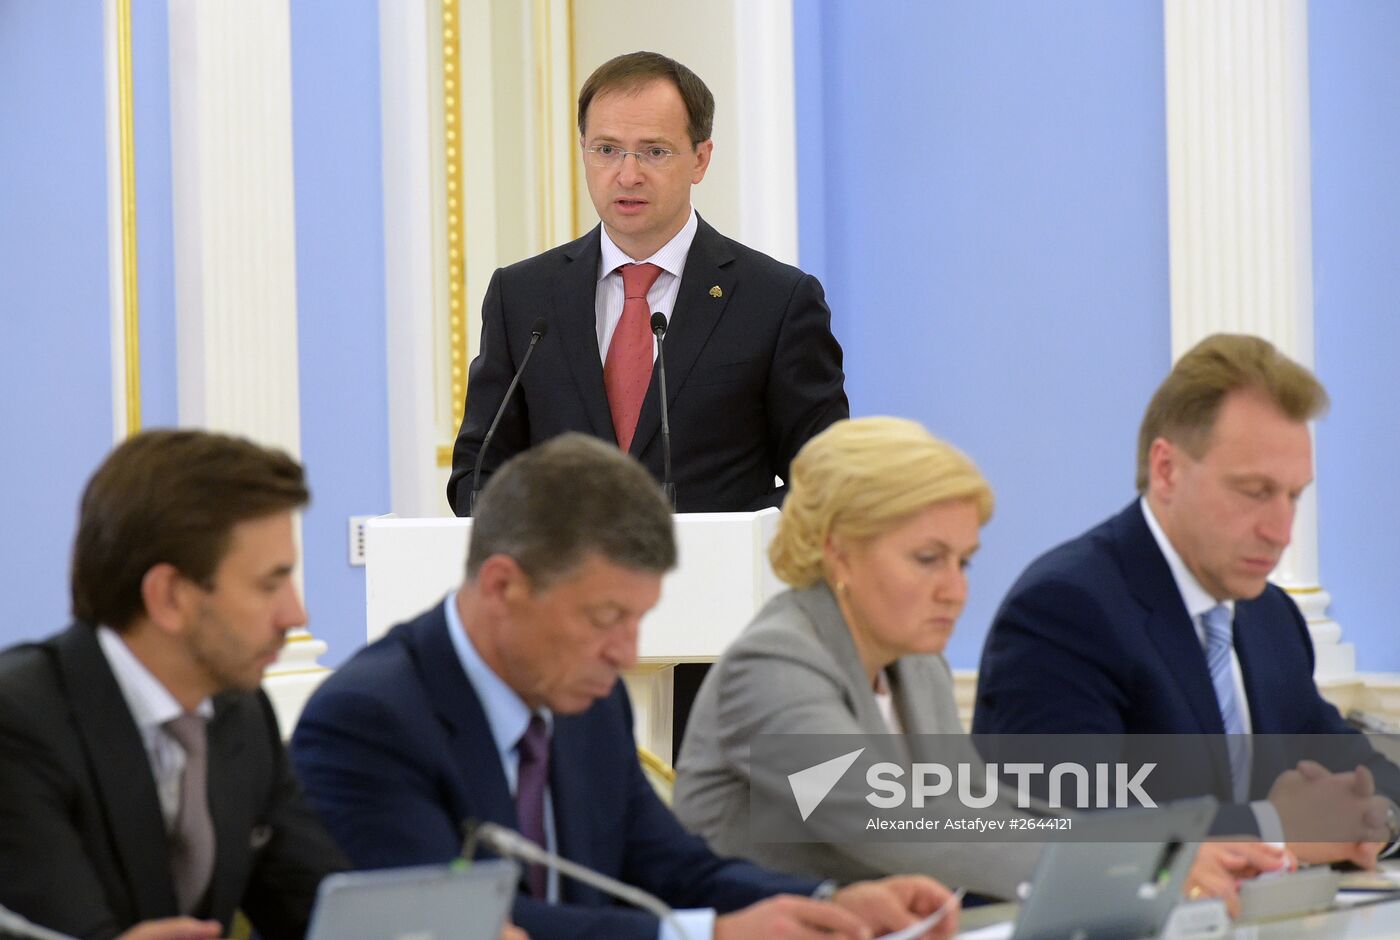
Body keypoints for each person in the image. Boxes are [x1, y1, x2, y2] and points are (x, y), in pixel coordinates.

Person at [293, 434, 959, 940]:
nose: (627, 651)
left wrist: (824, 903)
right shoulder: (369, 719)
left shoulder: (588, 699)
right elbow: (451, 924)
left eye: (638, 620)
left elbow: (673, 867)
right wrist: (708, 935)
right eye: (605, 618)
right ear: (502, 586)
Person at [672, 417, 1284, 915]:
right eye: (927, 559)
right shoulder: (773, 666)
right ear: (839, 551)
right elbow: (896, 827)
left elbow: (972, 807)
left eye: (963, 563)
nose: (955, 590)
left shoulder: (915, 663)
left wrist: (1164, 847)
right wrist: (1147, 862)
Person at [973, 333, 1399, 865]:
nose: (1281, 531)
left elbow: (1358, 772)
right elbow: (1075, 832)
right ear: (1167, 469)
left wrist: (1372, 818)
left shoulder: (1271, 617)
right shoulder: (1065, 611)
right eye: (1254, 491)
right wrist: (1274, 828)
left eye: (1294, 495)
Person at [446, 51, 848, 514]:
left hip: (717, 578)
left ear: (700, 159)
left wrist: (736, 537)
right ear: (583, 153)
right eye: (607, 150)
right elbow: (477, 473)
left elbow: (824, 477)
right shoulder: (522, 297)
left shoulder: (776, 301)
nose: (628, 174)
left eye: (654, 151)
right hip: (564, 578)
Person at [0, 430, 348, 940]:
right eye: (269, 584)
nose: (296, 614)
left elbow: (319, 912)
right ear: (168, 597)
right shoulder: (21, 723)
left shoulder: (242, 714)